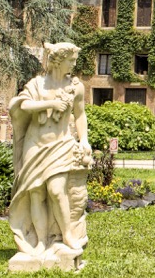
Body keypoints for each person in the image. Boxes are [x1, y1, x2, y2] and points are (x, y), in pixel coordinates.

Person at [8, 43, 93, 266]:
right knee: (36, 193)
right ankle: (41, 242)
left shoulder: (76, 87)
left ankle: (67, 235)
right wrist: (52, 103)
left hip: (61, 143)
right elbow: (23, 105)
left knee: (56, 190)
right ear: (58, 60)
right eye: (71, 60)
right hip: (35, 144)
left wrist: (83, 139)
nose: (74, 64)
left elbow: (80, 115)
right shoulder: (37, 84)